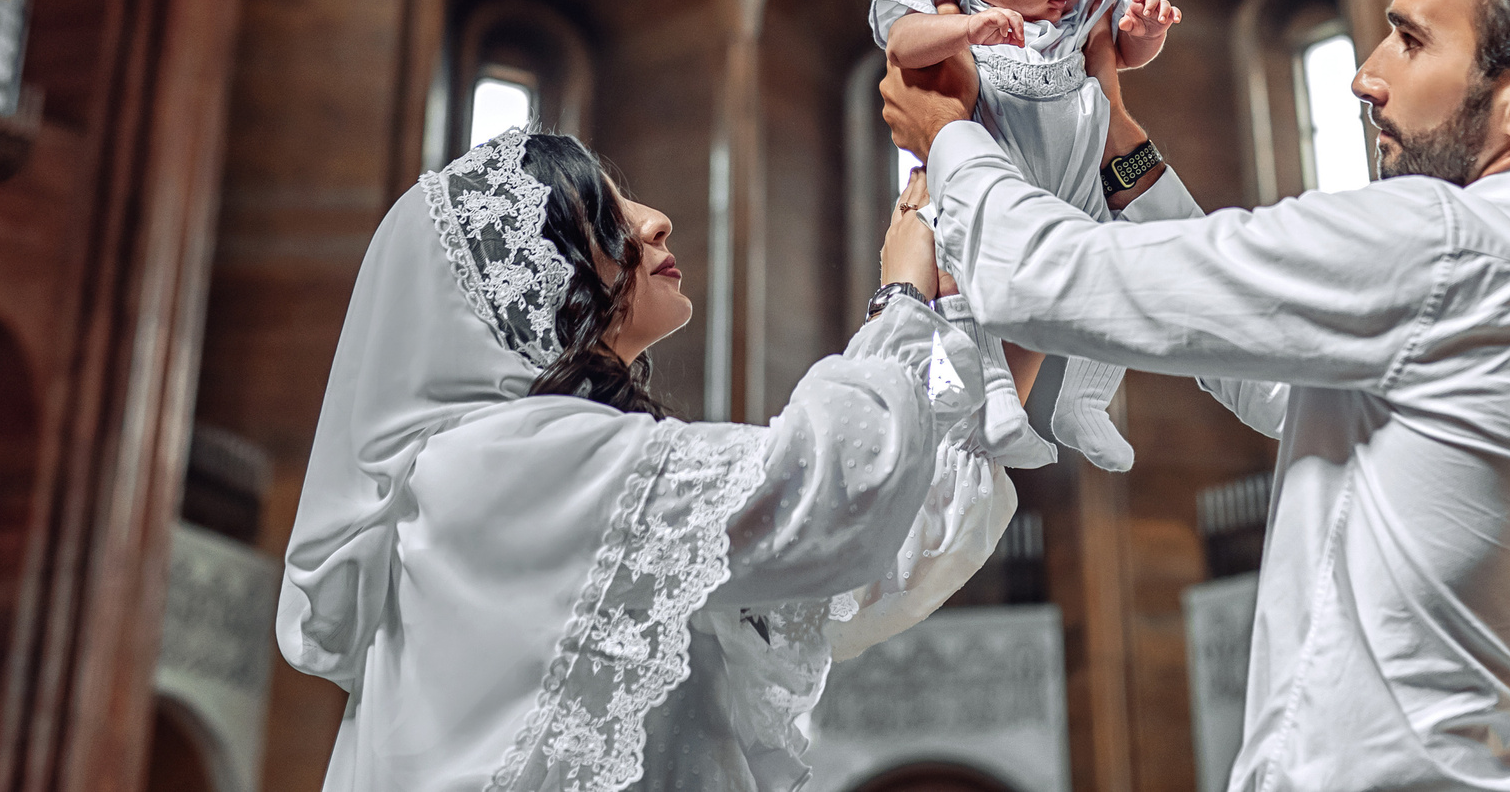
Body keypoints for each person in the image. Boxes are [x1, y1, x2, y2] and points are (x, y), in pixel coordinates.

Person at [881, 0, 1510, 792]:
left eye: (1409, 43)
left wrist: (948, 134)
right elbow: (1255, 370)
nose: (1365, 76)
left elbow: (1048, 278)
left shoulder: (1449, 245)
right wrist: (1109, 129)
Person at [278, 127, 1010, 792]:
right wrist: (902, 292)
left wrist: (974, 304)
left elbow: (881, 553)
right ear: (527, 279)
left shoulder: (525, 466)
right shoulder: (499, 462)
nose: (655, 218)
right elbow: (839, 486)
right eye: (606, 212)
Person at [872, 0, 1182, 472]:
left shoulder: (1077, 14)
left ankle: (1084, 401)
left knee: (1114, 274)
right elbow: (902, 46)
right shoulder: (942, 8)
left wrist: (1144, 35)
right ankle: (994, 402)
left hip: (1075, 188)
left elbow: (1120, 57)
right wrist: (966, 26)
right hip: (992, 180)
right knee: (965, 277)